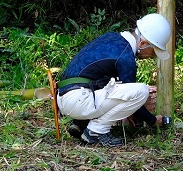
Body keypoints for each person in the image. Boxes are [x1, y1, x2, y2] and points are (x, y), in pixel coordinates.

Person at [56, 13, 171, 147]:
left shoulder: (111, 37)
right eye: (153, 51)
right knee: (141, 91)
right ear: (144, 43)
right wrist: (152, 121)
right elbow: (134, 94)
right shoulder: (126, 57)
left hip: (65, 96)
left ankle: (81, 122)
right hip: (79, 99)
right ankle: (96, 131)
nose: (151, 56)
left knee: (116, 85)